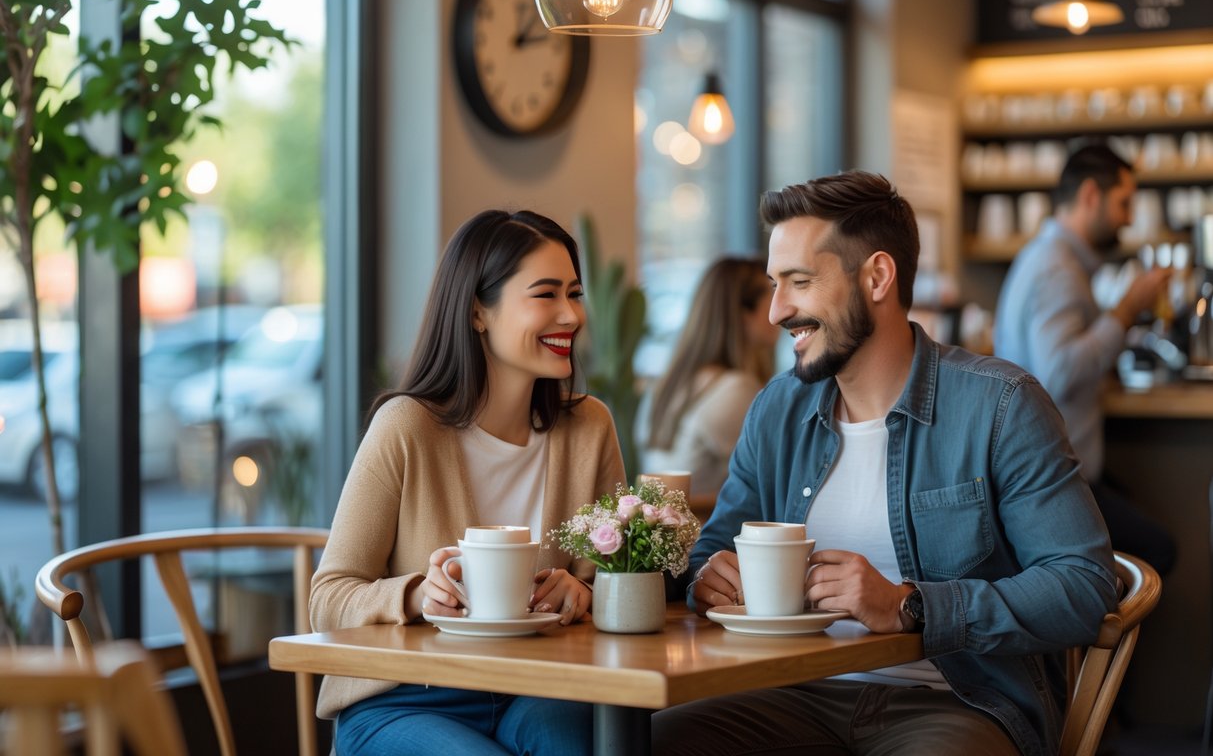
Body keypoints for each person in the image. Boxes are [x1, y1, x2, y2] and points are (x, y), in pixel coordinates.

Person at [652, 171, 1117, 756]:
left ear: (876, 277)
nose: (775, 311)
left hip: (955, 703)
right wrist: (707, 578)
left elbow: (1082, 585)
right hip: (789, 694)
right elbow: (712, 549)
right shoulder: (776, 409)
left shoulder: (1000, 406)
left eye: (798, 282)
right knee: (652, 741)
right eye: (774, 285)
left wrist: (909, 605)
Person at [310, 210, 625, 756]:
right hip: (406, 698)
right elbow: (329, 597)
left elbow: (623, 576)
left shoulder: (589, 426)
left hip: (539, 686)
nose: (570, 315)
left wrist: (586, 592)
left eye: (574, 294)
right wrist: (412, 594)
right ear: (479, 311)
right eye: (545, 294)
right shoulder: (407, 425)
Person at [994, 143, 1176, 576]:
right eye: (1124, 204)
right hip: (1053, 485)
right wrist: (1128, 310)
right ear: (1091, 195)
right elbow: (1057, 372)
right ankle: (1101, 638)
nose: (1129, 218)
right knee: (1161, 550)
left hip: (1054, 472)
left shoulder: (1049, 258)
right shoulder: (1056, 268)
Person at [636, 257, 780, 496]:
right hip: (703, 526)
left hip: (664, 529)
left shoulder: (665, 385)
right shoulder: (736, 389)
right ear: (744, 312)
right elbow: (776, 476)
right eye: (773, 294)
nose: (781, 308)